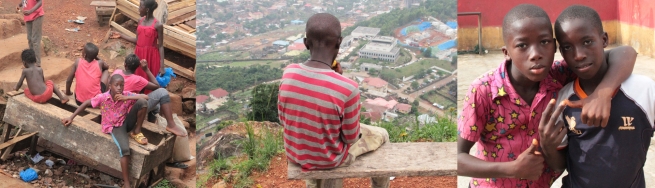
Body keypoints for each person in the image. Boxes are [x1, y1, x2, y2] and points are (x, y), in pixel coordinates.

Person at [456, 4, 637, 188]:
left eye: (544, 42)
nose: (536, 54)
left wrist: (602, 94)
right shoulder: (483, 91)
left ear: (554, 46)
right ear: (506, 52)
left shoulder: (558, 75)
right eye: (522, 45)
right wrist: (511, 169)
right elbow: (456, 158)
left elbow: (625, 52)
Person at [536, 5, 654, 188]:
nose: (579, 55)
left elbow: (627, 51)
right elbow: (561, 165)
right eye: (567, 47)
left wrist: (603, 94)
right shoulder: (564, 100)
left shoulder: (643, 90)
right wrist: (548, 147)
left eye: (587, 42)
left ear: (604, 39)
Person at [278, 13, 390, 188]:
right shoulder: (348, 88)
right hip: (329, 160)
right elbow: (350, 137)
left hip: (296, 154)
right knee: (382, 134)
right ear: (339, 42)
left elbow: (284, 119)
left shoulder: (288, 73)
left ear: (306, 43)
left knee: (324, 136)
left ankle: (312, 185)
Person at [62, 74, 149, 188]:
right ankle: (127, 183)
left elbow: (145, 97)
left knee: (142, 102)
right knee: (125, 149)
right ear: (110, 86)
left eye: (121, 85)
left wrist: (127, 98)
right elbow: (87, 103)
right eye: (116, 85)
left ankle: (136, 131)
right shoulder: (103, 97)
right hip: (115, 127)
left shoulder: (125, 95)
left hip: (126, 122)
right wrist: (71, 117)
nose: (119, 88)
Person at [112, 54, 187, 138]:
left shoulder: (116, 72)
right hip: (129, 112)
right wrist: (146, 69)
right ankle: (171, 125)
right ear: (137, 68)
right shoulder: (138, 79)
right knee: (162, 92)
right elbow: (157, 86)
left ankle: (151, 123)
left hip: (116, 107)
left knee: (157, 106)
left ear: (125, 65)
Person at [114, 0, 164, 94]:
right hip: (139, 54)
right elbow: (137, 40)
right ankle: (136, 101)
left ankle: (149, 102)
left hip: (151, 56)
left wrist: (162, 66)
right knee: (138, 79)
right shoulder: (140, 20)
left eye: (140, 7)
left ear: (147, 9)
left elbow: (160, 46)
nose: (138, 9)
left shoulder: (158, 25)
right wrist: (121, 35)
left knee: (150, 80)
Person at [17, 0, 43, 66]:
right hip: (28, 17)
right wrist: (19, 5)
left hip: (37, 15)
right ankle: (32, 61)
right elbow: (25, 1)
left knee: (35, 40)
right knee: (29, 38)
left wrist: (31, 11)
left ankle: (37, 63)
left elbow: (40, 2)